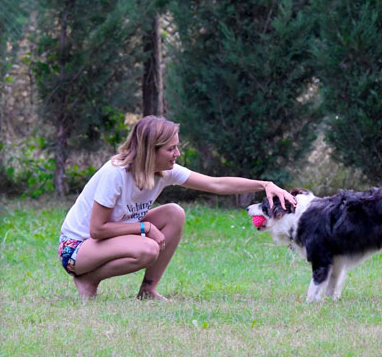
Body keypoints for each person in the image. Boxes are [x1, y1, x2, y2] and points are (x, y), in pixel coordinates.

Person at [57, 115, 296, 301]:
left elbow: (216, 183)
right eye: (171, 149)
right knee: (148, 249)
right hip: (77, 248)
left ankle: (148, 291)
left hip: (106, 239)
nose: (177, 153)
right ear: (151, 150)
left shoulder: (164, 171)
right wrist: (146, 227)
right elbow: (97, 229)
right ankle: (88, 280)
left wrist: (265, 185)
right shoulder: (116, 173)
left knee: (174, 213)